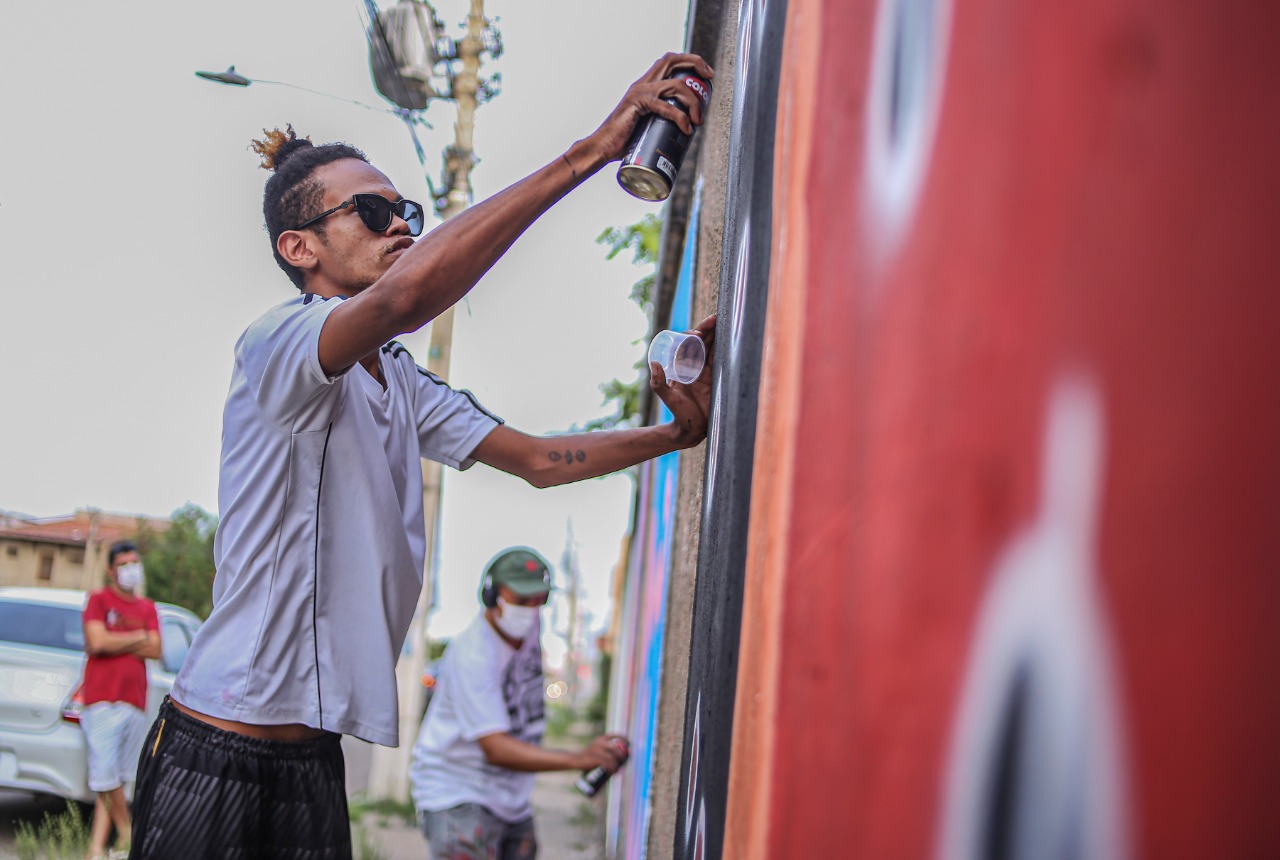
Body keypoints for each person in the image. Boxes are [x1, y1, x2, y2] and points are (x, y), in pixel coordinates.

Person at [127, 51, 715, 860]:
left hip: (312, 759)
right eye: (370, 211)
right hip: (216, 749)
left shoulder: (399, 383)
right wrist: (592, 150)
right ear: (300, 247)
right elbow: (404, 300)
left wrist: (676, 433)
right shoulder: (279, 343)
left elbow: (540, 460)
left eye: (402, 206)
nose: (401, 222)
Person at [409, 548, 629, 859]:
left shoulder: (528, 628)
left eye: (540, 600)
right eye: (522, 600)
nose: (531, 609)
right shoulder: (473, 655)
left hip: (509, 797)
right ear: (492, 596)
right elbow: (495, 748)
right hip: (458, 792)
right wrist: (579, 758)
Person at [80, 540, 160, 860]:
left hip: (134, 702)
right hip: (101, 700)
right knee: (104, 774)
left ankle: (96, 849)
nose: (131, 569)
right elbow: (97, 641)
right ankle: (129, 834)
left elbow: (156, 649)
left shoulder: (148, 608)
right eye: (124, 564)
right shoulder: (99, 600)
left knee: (117, 778)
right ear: (111, 570)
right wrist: (139, 636)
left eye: (135, 562)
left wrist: (119, 641)